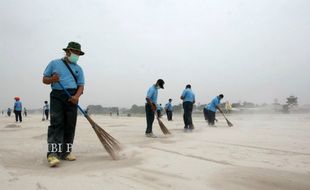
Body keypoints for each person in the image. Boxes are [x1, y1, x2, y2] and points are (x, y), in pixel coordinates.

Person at [42, 41, 85, 167]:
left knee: (70, 125)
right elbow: (44, 79)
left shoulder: (79, 69)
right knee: (57, 123)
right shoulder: (54, 63)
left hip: (72, 96)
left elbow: (81, 86)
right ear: (67, 51)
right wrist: (52, 79)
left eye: (78, 53)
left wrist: (76, 97)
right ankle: (53, 154)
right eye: (75, 52)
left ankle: (66, 152)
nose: (76, 55)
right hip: (57, 95)